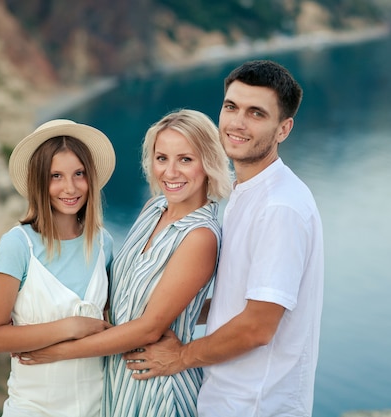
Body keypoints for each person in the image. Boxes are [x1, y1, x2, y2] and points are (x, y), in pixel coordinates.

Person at [124, 60, 325, 417]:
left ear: (284, 129)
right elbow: (236, 298)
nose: (237, 123)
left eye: (256, 113)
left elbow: (258, 327)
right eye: (231, 107)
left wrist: (181, 356)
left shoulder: (280, 207)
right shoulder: (244, 193)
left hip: (258, 405)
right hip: (224, 398)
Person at [16, 109, 232, 417]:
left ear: (208, 162)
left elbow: (148, 328)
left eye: (185, 159)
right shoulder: (154, 207)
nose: (170, 172)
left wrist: (57, 353)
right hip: (117, 379)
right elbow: (120, 294)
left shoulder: (200, 237)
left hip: (157, 388)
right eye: (161, 158)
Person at [0, 119, 116, 417]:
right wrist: (70, 327)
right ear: (39, 182)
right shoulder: (17, 245)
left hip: (99, 407)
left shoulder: (103, 243)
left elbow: (111, 322)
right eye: (56, 176)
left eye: (79, 174)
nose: (70, 188)